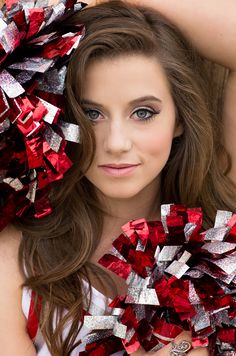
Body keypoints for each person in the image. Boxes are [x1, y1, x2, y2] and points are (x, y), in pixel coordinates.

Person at [0, 0, 235, 355]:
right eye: (92, 113)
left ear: (180, 119)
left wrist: (104, 1)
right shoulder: (15, 255)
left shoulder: (221, 231)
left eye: (143, 112)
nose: (116, 143)